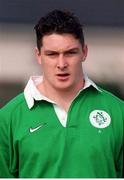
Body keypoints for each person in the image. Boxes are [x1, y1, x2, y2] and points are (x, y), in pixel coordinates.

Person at [0, 9, 123, 178]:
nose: (61, 63)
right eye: (52, 54)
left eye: (70, 53)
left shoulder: (118, 113)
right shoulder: (8, 119)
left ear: (84, 52)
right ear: (38, 55)